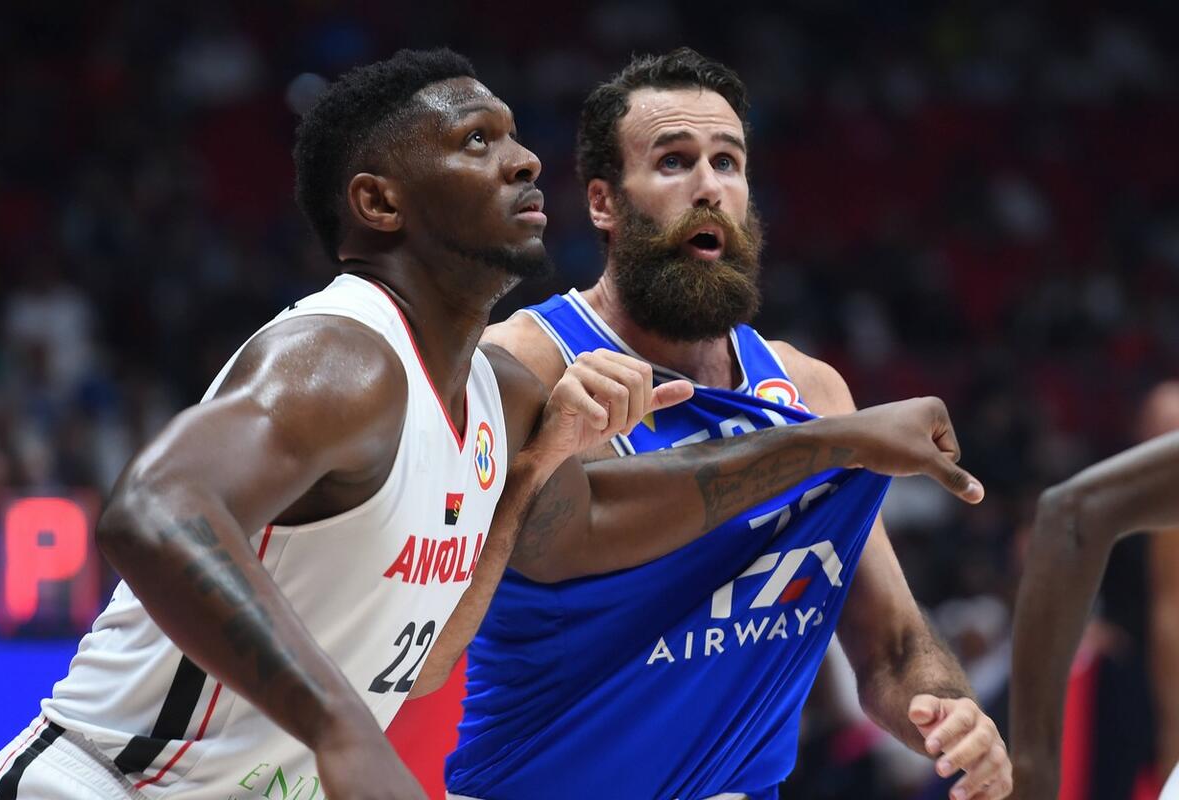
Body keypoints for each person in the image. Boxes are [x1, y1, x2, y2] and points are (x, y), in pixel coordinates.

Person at [0, 48, 982, 800]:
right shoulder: (346, 352)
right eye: (476, 142)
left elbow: (432, 654)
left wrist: (533, 470)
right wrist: (343, 731)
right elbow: (152, 511)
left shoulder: (491, 399)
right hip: (110, 779)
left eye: (513, 136)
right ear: (380, 202)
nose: (523, 159)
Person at [405, 49, 1012, 800]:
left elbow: (890, 645)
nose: (708, 187)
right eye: (673, 162)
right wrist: (835, 442)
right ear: (603, 202)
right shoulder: (524, 363)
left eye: (728, 162)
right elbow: (544, 547)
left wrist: (949, 712)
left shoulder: (810, 389)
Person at [1011, 385, 1179, 800]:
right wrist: (1032, 767)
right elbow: (1062, 516)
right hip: (1129, 666)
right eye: (1163, 423)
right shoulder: (1130, 500)